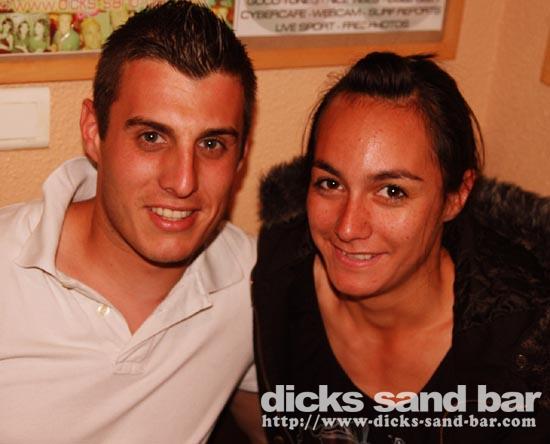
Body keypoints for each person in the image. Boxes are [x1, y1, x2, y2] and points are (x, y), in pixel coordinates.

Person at [0, 1, 264, 443]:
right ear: (93, 132)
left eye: (212, 144)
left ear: (241, 157)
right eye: (151, 137)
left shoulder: (254, 284)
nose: (183, 181)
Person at [253, 52, 550, 443]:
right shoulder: (281, 277)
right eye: (330, 183)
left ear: (456, 196)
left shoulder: (524, 344)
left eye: (392, 192)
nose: (347, 227)